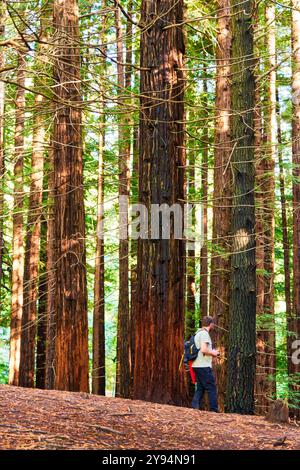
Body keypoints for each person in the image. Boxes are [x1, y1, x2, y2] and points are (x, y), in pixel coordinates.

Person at [191, 316, 219, 412]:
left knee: (200, 388)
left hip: (196, 365)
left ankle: (194, 407)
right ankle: (214, 410)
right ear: (211, 324)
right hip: (203, 365)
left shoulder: (198, 333)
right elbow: (203, 349)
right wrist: (213, 353)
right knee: (211, 387)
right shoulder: (204, 334)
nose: (213, 325)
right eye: (213, 324)